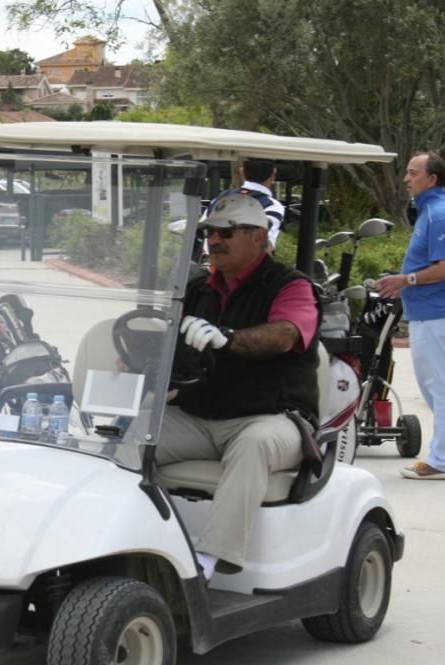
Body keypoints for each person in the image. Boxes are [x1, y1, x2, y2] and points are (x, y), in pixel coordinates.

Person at [156, 191, 320, 580]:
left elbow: (284, 334)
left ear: (259, 238)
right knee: (128, 439)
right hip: (200, 415)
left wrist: (228, 338)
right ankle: (134, 543)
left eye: (227, 233)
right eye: (211, 232)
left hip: (272, 418)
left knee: (253, 445)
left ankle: (207, 563)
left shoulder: (290, 286)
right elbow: (166, 341)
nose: (215, 241)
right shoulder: (197, 289)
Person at [375, 151, 445, 481]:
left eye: (413, 173)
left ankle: (443, 461)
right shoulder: (430, 212)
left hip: (435, 315)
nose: (407, 178)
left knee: (439, 389)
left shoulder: (437, 214)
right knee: (444, 387)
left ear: (432, 179)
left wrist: (405, 280)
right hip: (433, 314)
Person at [204, 159, 285, 251]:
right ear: (273, 174)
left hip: (211, 260)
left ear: (242, 172)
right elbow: (264, 244)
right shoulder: (271, 205)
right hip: (244, 263)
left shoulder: (219, 199)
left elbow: (202, 234)